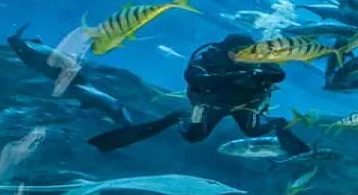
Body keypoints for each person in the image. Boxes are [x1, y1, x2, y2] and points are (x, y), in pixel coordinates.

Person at [86, 34, 309, 155]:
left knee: (253, 131)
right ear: (226, 51)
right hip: (212, 103)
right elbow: (194, 78)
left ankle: (280, 125)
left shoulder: (258, 61)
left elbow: (279, 75)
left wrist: (260, 71)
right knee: (194, 137)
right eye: (237, 53)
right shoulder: (209, 59)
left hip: (245, 105)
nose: (242, 57)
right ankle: (177, 116)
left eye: (248, 53)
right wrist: (234, 75)